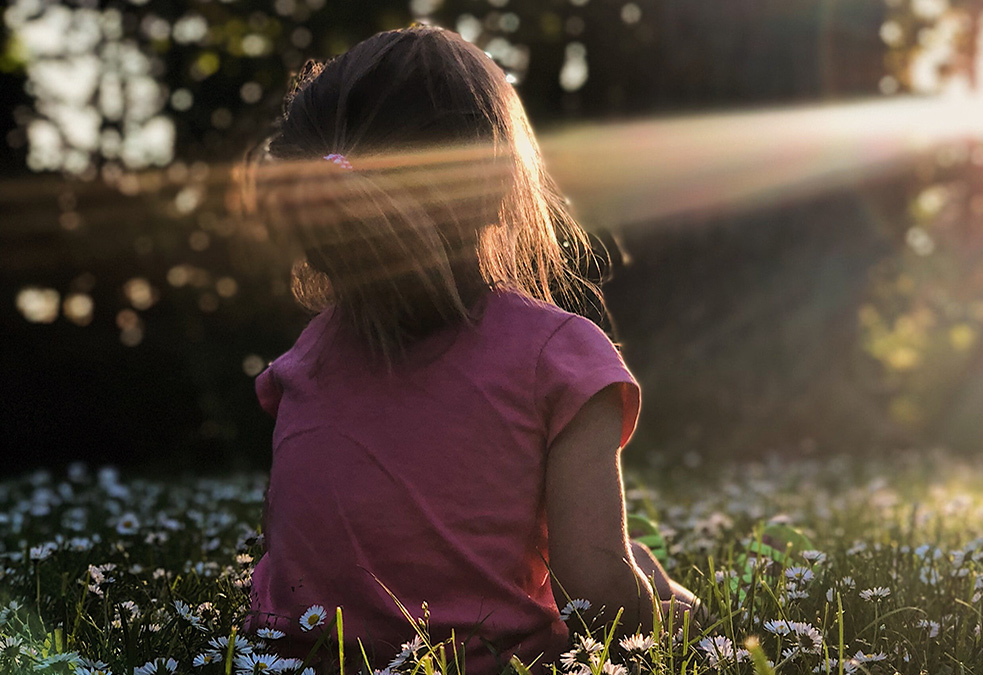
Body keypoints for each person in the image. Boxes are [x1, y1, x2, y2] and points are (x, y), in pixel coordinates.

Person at [241, 25, 700, 675]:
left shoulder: (303, 361)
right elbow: (597, 595)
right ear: (495, 188)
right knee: (637, 572)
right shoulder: (558, 357)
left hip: (295, 664)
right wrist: (682, 612)